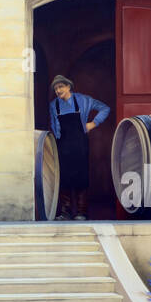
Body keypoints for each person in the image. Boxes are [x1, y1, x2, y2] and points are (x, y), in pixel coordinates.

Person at [47, 74, 111, 221]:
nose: (58, 90)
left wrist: (93, 123)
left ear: (68, 87)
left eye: (60, 86)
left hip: (80, 144)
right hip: (62, 145)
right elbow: (54, 125)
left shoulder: (83, 100)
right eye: (56, 88)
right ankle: (65, 212)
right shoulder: (54, 105)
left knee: (81, 176)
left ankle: (81, 212)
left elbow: (104, 108)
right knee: (64, 177)